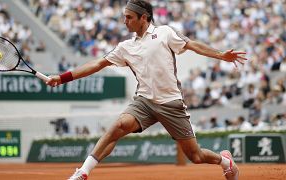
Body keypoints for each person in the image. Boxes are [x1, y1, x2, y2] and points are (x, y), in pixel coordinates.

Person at [46, 1, 247, 179]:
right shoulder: (125, 47)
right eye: (124, 17)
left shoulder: (165, 33)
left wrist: (221, 55)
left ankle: (226, 161)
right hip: (144, 102)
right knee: (118, 126)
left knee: (195, 156)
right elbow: (98, 64)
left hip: (171, 103)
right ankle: (83, 172)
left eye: (129, 17)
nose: (125, 21)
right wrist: (63, 78)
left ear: (144, 17)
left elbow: (192, 45)